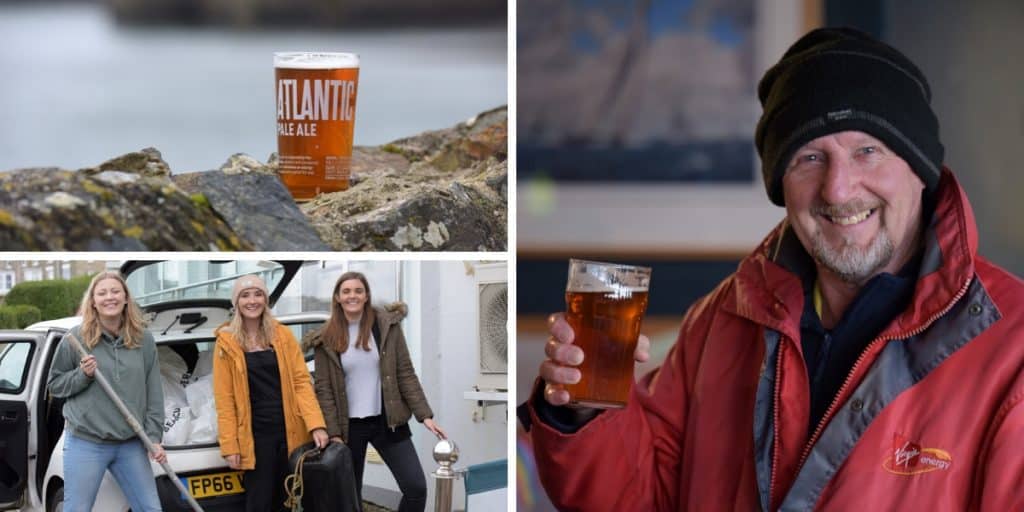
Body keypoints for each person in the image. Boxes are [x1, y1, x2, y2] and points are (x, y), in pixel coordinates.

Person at [520, 27, 1024, 510]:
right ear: (781, 183)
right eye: (809, 157)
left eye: (867, 151)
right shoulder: (719, 322)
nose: (838, 189)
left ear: (920, 169)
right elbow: (639, 498)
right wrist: (581, 411)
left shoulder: (1012, 349)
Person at [305, 271, 446, 512]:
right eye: (346, 291)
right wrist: (334, 433)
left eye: (358, 291)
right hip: (348, 428)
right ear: (337, 298)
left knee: (416, 488)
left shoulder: (386, 326)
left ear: (366, 295)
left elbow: (405, 373)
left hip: (387, 421)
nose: (353, 296)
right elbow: (324, 390)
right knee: (349, 498)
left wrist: (425, 415)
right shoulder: (325, 338)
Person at [47, 271, 165, 512]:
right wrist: (83, 375)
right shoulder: (76, 339)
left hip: (131, 442)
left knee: (151, 508)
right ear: (93, 301)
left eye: (115, 291)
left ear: (125, 298)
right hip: (86, 441)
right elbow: (55, 385)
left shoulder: (144, 339)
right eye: (102, 293)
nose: (109, 297)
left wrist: (153, 437)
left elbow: (154, 392)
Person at [212, 274, 330, 512]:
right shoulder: (226, 342)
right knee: (259, 502)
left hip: (290, 431)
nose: (252, 300)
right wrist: (230, 446)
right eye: (245, 295)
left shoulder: (282, 335)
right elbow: (225, 400)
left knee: (288, 500)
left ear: (266, 300)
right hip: (255, 436)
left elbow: (300, 383)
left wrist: (316, 424)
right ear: (236, 303)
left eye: (258, 294)